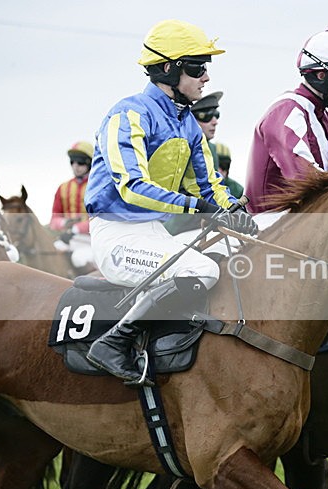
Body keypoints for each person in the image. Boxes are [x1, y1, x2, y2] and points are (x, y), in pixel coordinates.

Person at [84, 19, 256, 386]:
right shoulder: (128, 115)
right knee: (203, 272)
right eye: (197, 67)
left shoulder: (188, 124)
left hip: (153, 232)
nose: (206, 76)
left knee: (235, 252)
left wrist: (234, 212)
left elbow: (210, 186)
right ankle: (114, 342)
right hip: (116, 235)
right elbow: (132, 187)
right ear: (168, 69)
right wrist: (200, 209)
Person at [244, 29, 328, 214]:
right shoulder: (287, 111)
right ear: (321, 76)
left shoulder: (321, 117)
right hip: (264, 229)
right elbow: (306, 180)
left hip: (296, 229)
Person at [50, 141, 96, 271]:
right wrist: (65, 223)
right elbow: (53, 220)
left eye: (80, 161)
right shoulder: (63, 188)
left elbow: (101, 218)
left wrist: (76, 229)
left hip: (91, 241)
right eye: (72, 161)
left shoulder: (97, 187)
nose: (75, 166)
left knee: (79, 258)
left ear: (89, 162)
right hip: (67, 239)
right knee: (49, 253)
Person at [190, 91, 246, 199]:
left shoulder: (211, 149)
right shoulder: (181, 145)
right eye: (207, 115)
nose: (215, 122)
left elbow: (212, 190)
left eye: (216, 115)